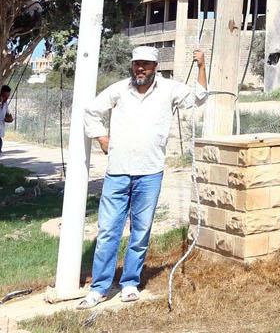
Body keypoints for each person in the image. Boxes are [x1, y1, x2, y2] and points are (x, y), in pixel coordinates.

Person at [79, 45, 207, 307]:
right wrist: (102, 138)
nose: (140, 69)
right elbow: (91, 111)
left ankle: (129, 283)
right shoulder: (119, 89)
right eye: (137, 63)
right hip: (117, 172)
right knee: (107, 232)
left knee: (140, 232)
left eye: (146, 65)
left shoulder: (169, 89)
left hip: (150, 173)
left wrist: (202, 65)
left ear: (155, 68)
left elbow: (199, 97)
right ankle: (100, 287)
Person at [0, 84, 14, 167]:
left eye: (8, 96)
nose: (6, 98)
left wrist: (9, 119)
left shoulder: (5, 104)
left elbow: (7, 115)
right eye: (4, 96)